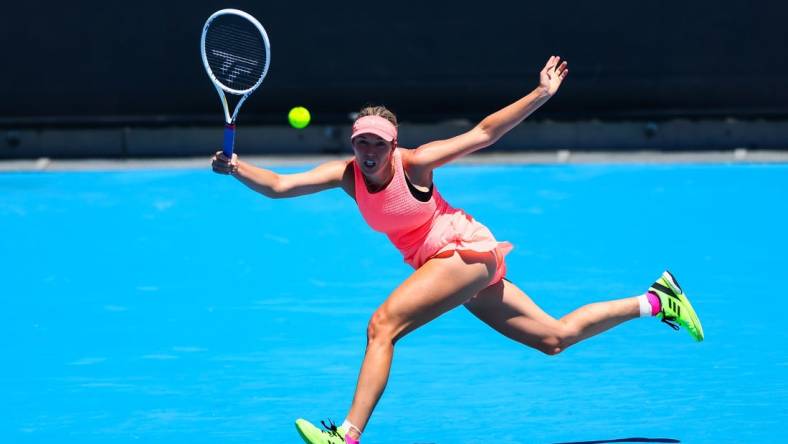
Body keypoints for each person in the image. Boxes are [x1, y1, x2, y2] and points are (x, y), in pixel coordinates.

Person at [211, 56, 704, 444]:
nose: (368, 151)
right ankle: (657, 300)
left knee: (383, 326)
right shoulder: (346, 176)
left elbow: (485, 132)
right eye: (361, 141)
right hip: (452, 267)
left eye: (377, 143)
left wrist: (540, 93)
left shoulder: (417, 164)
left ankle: (347, 435)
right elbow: (278, 185)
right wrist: (236, 167)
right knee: (554, 339)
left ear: (393, 143)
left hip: (463, 252)